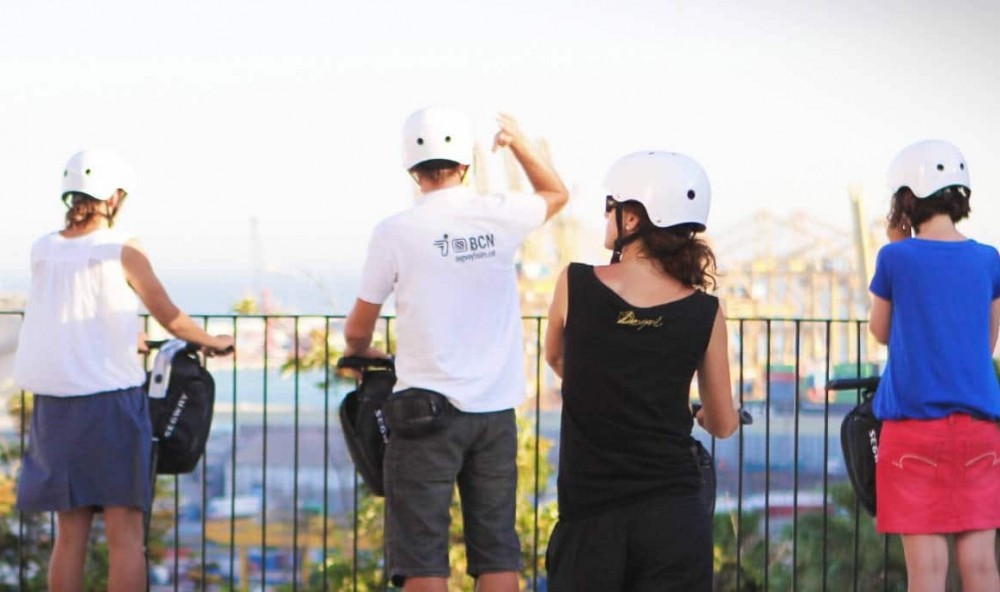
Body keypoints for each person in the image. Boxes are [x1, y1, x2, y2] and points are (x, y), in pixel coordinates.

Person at [343, 107, 569, 592]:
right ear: (465, 161)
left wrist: (365, 352)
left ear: (411, 166)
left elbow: (358, 328)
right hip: (495, 414)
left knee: (422, 558)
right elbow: (556, 194)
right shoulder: (500, 214)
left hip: (424, 414)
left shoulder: (395, 231)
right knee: (497, 555)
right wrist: (520, 142)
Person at [13, 149, 233, 592]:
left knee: (69, 536)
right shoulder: (122, 248)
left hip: (54, 407)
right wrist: (211, 341)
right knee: (125, 536)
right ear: (113, 197)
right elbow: (169, 316)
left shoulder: (43, 248)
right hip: (108, 403)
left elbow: (67, 313)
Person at [543, 150, 740, 592]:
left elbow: (557, 359)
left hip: (589, 516)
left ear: (631, 219)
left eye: (610, 207)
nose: (607, 216)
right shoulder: (705, 311)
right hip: (674, 517)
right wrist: (703, 415)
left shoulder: (573, 283)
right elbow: (723, 422)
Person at [868, 139, 1000, 592]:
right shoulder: (989, 259)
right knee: (982, 567)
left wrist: (896, 246)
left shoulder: (895, 257)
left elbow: (880, 330)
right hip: (980, 429)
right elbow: (987, 341)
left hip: (912, 431)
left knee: (926, 573)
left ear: (906, 197)